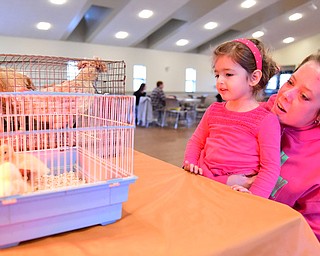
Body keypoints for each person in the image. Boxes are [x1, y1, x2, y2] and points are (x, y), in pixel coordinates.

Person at [183, 38, 281, 198]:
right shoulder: (213, 110)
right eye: (217, 75)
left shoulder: (265, 120)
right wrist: (190, 163)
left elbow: (270, 168)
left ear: (254, 78)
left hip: (237, 193)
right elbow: (196, 142)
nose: (220, 81)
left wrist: (254, 196)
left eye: (228, 74)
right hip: (204, 184)